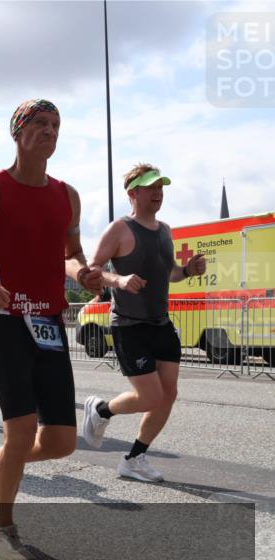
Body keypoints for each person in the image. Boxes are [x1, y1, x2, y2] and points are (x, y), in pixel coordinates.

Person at [0, 99, 102, 560]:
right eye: (40, 124)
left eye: (56, 125)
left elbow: (69, 254)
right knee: (22, 430)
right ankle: (2, 531)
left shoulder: (67, 195)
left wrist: (81, 274)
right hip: (5, 320)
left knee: (61, 443)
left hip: (49, 323)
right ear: (18, 132)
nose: (50, 131)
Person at [82, 164, 207, 482]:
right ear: (133, 193)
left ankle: (134, 458)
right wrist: (119, 279)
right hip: (129, 326)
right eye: (151, 187)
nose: (158, 192)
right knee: (151, 397)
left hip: (161, 324)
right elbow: (93, 271)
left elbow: (170, 273)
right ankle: (101, 410)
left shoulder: (165, 230)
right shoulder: (119, 229)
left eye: (161, 187)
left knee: (169, 394)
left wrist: (189, 271)